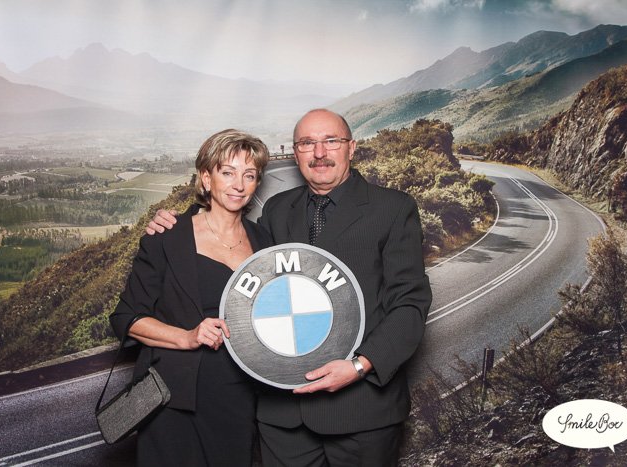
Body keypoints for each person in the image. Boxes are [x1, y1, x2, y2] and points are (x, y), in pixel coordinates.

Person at [146, 109, 432, 467]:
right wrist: (176, 224)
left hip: (361, 412)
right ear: (295, 153)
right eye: (307, 143)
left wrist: (360, 366)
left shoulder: (393, 208)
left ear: (351, 147)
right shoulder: (278, 210)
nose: (319, 153)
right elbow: (239, 254)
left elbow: (410, 304)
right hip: (282, 419)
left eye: (331, 141)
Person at [110, 129, 272, 467]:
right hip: (175, 397)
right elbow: (126, 318)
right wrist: (187, 337)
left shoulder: (265, 243)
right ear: (206, 178)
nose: (238, 184)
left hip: (239, 396)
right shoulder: (168, 237)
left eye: (249, 175)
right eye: (227, 172)